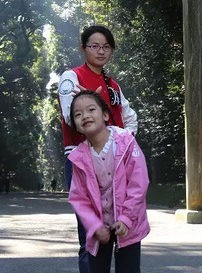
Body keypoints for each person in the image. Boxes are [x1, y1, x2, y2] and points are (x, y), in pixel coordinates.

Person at [57, 25, 138, 272]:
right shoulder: (71, 77)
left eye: (106, 46)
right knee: (93, 237)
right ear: (83, 49)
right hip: (83, 161)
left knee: (125, 232)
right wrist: (91, 102)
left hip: (117, 162)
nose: (100, 51)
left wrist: (124, 144)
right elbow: (72, 118)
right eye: (94, 46)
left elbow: (130, 117)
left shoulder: (113, 84)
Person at [67, 90, 149, 273]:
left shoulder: (126, 143)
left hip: (129, 222)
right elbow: (79, 198)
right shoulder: (79, 157)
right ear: (77, 126)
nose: (85, 116)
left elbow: (139, 183)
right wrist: (94, 225)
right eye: (78, 114)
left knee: (128, 269)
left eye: (90, 110)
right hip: (99, 227)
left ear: (105, 115)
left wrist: (127, 218)